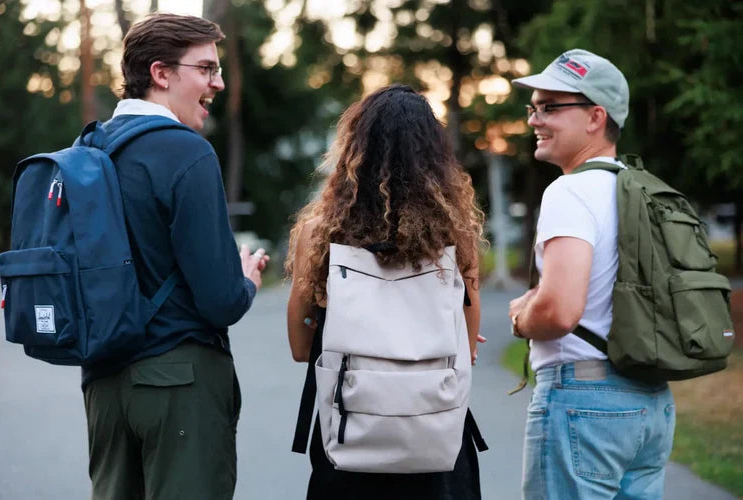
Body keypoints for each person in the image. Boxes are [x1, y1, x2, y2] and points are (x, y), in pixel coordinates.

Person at [81, 13, 268, 500]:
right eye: (206, 69)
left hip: (103, 385)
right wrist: (245, 280)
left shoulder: (89, 150)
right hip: (178, 383)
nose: (219, 82)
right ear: (161, 73)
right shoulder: (187, 153)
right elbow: (220, 301)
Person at [285, 84, 487, 499]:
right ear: (434, 154)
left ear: (355, 149)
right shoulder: (455, 234)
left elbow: (301, 347)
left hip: (349, 435)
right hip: (434, 438)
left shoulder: (320, 233)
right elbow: (465, 349)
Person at [508, 49, 675, 499]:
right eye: (534, 108)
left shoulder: (571, 191)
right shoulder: (641, 190)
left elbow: (560, 311)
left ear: (595, 117)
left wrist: (522, 316)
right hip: (649, 402)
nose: (534, 120)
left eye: (549, 108)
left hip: (584, 401)